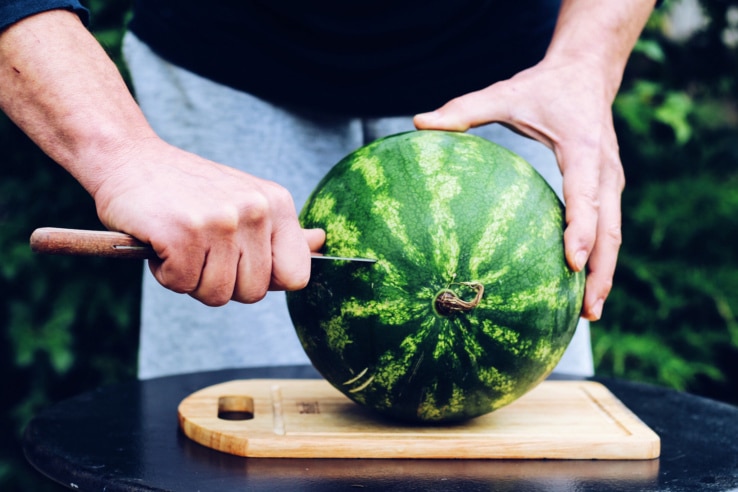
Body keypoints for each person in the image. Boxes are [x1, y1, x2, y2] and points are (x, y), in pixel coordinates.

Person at [0, 1, 658, 379]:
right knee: (225, 449)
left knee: (536, 454)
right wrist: (125, 158)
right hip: (228, 59)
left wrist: (585, 65)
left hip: (511, 85)